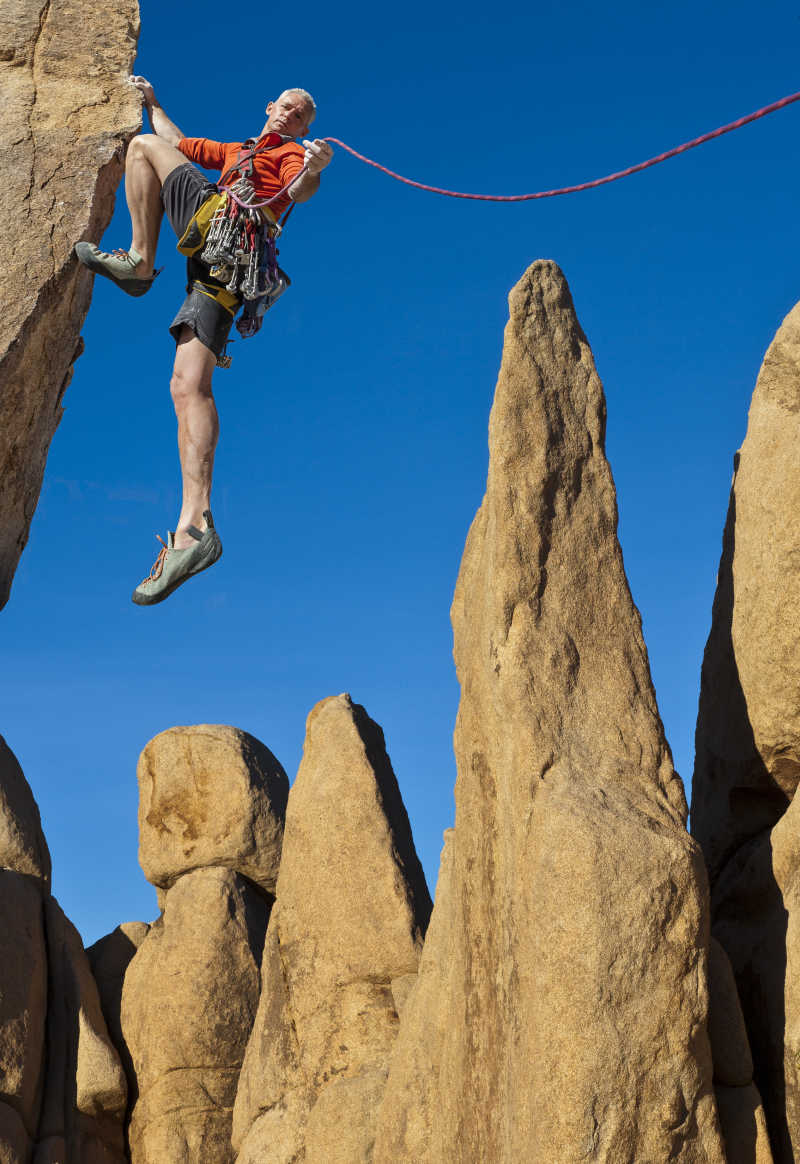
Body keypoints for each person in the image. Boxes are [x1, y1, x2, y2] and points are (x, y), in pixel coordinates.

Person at [75, 77, 333, 605]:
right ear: (269, 106)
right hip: (215, 256)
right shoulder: (238, 150)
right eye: (285, 106)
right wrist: (154, 103)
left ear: (306, 128)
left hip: (231, 238)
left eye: (301, 115)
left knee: (143, 149)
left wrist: (313, 165)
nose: (290, 116)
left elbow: (300, 189)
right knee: (185, 384)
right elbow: (179, 140)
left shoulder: (287, 155)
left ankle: (141, 262)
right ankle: (193, 526)